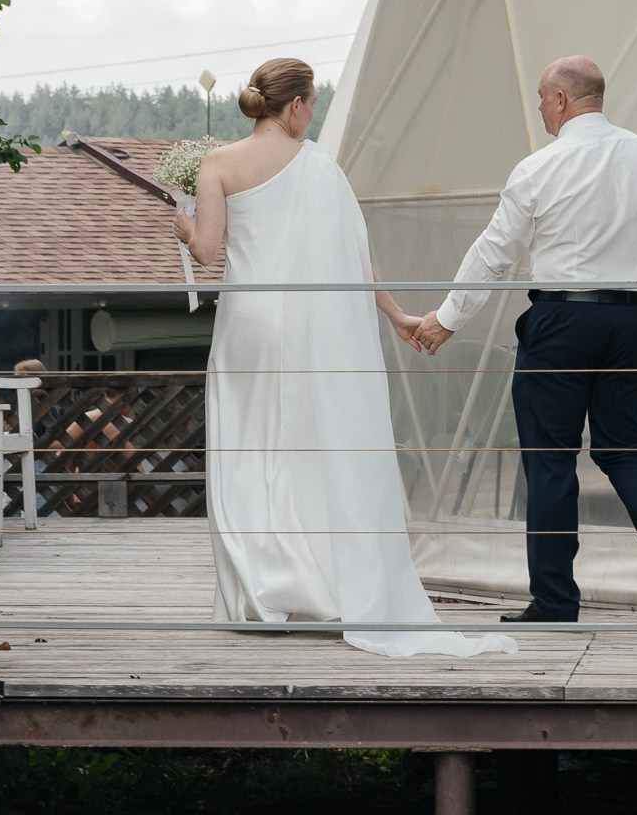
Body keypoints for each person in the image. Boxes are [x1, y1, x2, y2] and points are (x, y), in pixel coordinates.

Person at [175, 57, 514, 657]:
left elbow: (205, 251)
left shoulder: (217, 164)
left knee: (249, 448)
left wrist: (181, 224)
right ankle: (317, 580)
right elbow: (354, 259)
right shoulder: (320, 168)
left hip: (248, 329)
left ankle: (259, 590)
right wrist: (397, 314)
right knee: (310, 447)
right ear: (299, 106)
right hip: (309, 331)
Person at [414, 56, 637, 626]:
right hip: (631, 322)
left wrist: (447, 319)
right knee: (624, 447)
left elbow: (494, 253)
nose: (541, 109)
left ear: (562, 100)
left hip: (562, 322)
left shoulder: (538, 168)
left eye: (542, 98)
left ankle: (554, 602)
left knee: (550, 460)